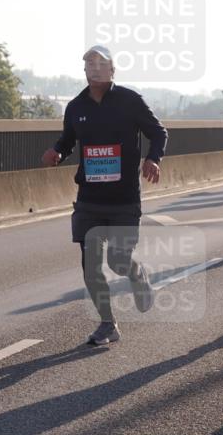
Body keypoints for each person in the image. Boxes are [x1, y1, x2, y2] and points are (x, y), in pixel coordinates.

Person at [42, 45, 167, 346]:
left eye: (101, 64)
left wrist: (153, 159)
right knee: (91, 266)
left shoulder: (130, 100)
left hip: (124, 199)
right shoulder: (76, 107)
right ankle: (108, 324)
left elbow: (158, 132)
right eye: (90, 64)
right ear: (84, 71)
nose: (95, 69)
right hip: (89, 199)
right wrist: (57, 151)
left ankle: (136, 273)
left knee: (118, 260)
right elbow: (68, 139)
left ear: (112, 70)